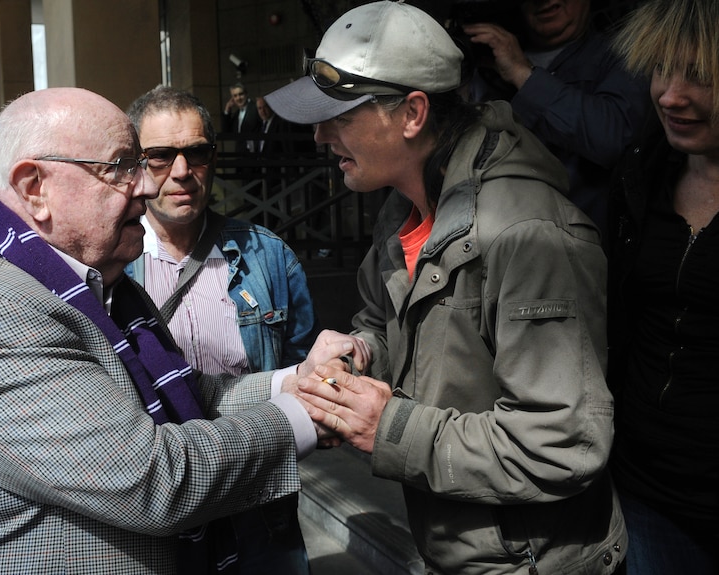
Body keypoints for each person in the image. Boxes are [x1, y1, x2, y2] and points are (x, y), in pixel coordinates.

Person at [0, 86, 368, 574]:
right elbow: (154, 479)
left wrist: (291, 382)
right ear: (35, 186)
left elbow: (188, 394)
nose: (146, 185)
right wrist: (305, 413)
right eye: (123, 165)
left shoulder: (99, 284)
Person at [266, 1, 625, 573]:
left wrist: (389, 428)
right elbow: (394, 330)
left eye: (341, 116)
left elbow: (562, 445)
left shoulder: (526, 232)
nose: (318, 136)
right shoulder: (404, 208)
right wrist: (360, 356)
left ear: (412, 114)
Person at [125, 85, 317, 575]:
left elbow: (299, 368)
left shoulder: (267, 256)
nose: (182, 172)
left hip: (259, 506)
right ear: (136, 163)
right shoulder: (108, 267)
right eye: (162, 156)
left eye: (197, 153)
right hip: (157, 515)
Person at [607, 1, 719, 572]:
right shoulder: (641, 176)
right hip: (649, 491)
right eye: (661, 70)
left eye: (700, 75)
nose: (672, 96)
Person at [462, 0, 650, 235]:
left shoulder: (620, 55)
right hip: (495, 235)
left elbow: (613, 140)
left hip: (577, 240)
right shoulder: (489, 60)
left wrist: (523, 74)